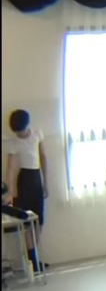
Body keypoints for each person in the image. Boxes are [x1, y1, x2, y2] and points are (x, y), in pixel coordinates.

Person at [3, 109, 48, 271]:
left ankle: (33, 258)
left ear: (27, 125)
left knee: (39, 221)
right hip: (25, 180)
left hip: (37, 178)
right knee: (28, 222)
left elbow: (43, 157)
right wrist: (9, 191)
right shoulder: (14, 143)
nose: (19, 134)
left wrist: (46, 183)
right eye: (17, 132)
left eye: (21, 131)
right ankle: (33, 261)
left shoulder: (37, 134)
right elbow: (10, 168)